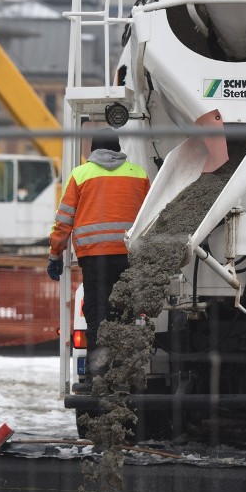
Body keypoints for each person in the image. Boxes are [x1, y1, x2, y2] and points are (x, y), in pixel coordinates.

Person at [47, 129, 150, 392]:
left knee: (97, 317)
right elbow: (150, 216)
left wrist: (55, 253)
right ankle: (125, 377)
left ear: (93, 150)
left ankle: (98, 378)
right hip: (129, 256)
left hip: (94, 258)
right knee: (126, 316)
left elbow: (64, 220)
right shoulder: (137, 174)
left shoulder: (81, 174)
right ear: (119, 148)